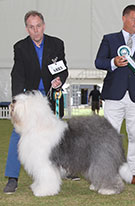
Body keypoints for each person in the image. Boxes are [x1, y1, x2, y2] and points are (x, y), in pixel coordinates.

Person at [95, 4, 135, 184]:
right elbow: (99, 61)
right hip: (113, 95)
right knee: (110, 137)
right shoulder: (109, 39)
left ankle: (132, 173)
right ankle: (108, 173)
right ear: (124, 18)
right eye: (134, 19)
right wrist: (114, 62)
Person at [3, 10, 69, 194]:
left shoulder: (56, 44)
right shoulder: (20, 47)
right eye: (31, 27)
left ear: (44, 26)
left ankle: (64, 168)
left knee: (59, 136)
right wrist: (18, 99)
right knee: (19, 135)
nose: (36, 30)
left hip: (51, 96)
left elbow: (62, 68)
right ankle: (12, 177)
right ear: (27, 29)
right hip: (31, 100)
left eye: (38, 26)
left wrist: (59, 80)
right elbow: (17, 74)